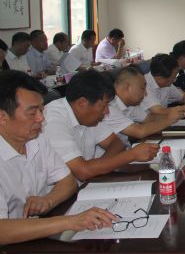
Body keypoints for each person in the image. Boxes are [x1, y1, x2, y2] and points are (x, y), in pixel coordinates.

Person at [0, 70, 117, 245]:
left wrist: (48, 201)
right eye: (32, 113)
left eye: (41, 110)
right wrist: (71, 221)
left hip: (37, 234)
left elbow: (68, 182)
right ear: (2, 117)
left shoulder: (36, 139)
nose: (41, 118)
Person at [43, 70, 159, 182]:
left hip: (89, 184)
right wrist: (132, 154)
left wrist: (99, 167)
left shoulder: (88, 116)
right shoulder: (53, 120)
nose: (107, 112)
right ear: (82, 103)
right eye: (104, 106)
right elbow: (82, 172)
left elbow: (116, 143)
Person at [104, 66, 185, 145]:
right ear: (127, 87)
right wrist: (169, 119)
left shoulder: (130, 104)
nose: (145, 94)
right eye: (142, 88)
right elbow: (140, 131)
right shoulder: (108, 108)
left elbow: (150, 118)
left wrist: (177, 114)